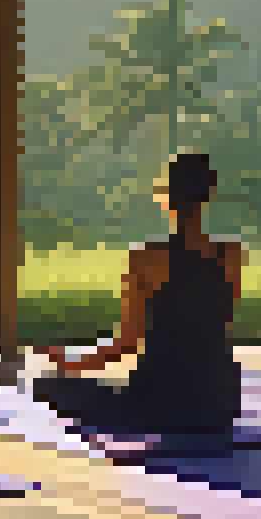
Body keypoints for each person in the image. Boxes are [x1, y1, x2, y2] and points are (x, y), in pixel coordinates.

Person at [29, 152, 245, 441]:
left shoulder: (145, 259)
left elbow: (127, 343)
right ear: (209, 195)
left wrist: (70, 365)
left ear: (165, 196)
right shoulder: (230, 256)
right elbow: (219, 325)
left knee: (45, 386)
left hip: (156, 404)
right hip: (217, 406)